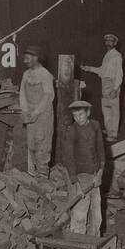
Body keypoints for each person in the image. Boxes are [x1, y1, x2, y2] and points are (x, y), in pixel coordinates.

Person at [63, 100, 105, 237]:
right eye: (75, 115)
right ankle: (77, 245)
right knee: (80, 215)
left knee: (96, 215)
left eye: (81, 114)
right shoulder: (72, 131)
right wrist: (76, 184)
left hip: (95, 176)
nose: (78, 118)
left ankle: (94, 243)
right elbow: (68, 158)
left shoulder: (95, 126)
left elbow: (101, 151)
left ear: (88, 112)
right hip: (80, 177)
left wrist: (100, 173)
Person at [19, 45, 55, 177]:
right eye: (25, 58)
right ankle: (34, 175)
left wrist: (36, 112)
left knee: (42, 146)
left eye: (28, 59)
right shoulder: (26, 74)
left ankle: (43, 175)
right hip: (30, 114)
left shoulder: (45, 75)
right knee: (32, 145)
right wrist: (25, 111)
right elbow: (22, 93)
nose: (25, 61)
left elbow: (48, 96)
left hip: (43, 114)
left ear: (36, 58)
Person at [83, 33, 124, 142]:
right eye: (107, 41)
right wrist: (89, 68)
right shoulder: (107, 55)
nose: (109, 42)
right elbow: (102, 70)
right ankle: (109, 128)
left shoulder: (117, 55)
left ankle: (113, 134)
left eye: (111, 41)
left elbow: (119, 74)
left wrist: (115, 89)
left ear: (115, 43)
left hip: (112, 83)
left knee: (114, 108)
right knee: (106, 108)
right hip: (104, 83)